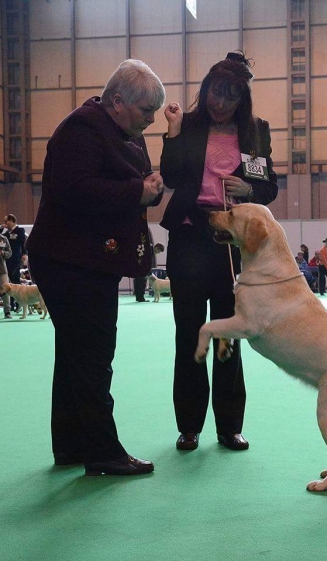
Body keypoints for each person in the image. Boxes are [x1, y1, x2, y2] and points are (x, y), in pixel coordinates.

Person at [26, 59, 166, 476]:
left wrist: (149, 190)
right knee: (92, 355)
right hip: (69, 261)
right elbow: (74, 190)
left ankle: (71, 446)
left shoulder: (125, 133)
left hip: (83, 260)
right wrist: (136, 191)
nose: (151, 120)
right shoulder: (81, 129)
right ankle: (103, 452)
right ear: (118, 102)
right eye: (146, 111)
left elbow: (136, 186)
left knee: (75, 354)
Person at [159, 51, 278, 452]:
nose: (219, 103)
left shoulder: (256, 131)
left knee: (229, 335)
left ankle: (229, 427)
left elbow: (268, 188)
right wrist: (173, 131)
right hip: (192, 236)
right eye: (214, 93)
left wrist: (248, 190)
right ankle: (189, 425)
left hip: (231, 245)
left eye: (229, 97)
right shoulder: (188, 125)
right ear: (205, 89)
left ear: (241, 101)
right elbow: (173, 177)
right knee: (189, 334)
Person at [1, 214, 27, 312]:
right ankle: (10, 305)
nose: (5, 223)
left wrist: (24, 253)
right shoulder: (6, 232)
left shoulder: (20, 230)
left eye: (6, 221)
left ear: (12, 220)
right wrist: (1, 228)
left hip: (16, 259)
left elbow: (23, 243)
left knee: (16, 281)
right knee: (8, 284)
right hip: (6, 260)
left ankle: (19, 304)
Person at [133, 235, 165, 302]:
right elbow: (147, 263)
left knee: (139, 282)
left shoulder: (148, 248)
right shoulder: (149, 251)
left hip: (138, 267)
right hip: (141, 268)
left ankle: (139, 297)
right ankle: (141, 298)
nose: (157, 253)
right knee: (141, 282)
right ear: (156, 247)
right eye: (158, 251)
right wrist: (150, 274)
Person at [0, 232, 12, 319]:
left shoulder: (4, 238)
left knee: (6, 290)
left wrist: (3, 253)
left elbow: (10, 252)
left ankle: (7, 311)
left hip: (2, 269)